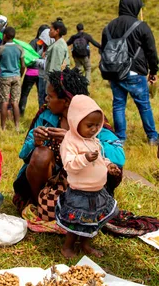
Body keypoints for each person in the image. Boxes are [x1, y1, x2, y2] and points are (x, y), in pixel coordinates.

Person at [12, 68, 125, 220]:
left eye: (50, 96)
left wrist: (74, 140)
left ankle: (80, 209)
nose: (46, 99)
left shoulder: (91, 119)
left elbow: (118, 156)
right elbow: (23, 153)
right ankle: (40, 204)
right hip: (50, 182)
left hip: (83, 184)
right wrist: (35, 142)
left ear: (65, 101)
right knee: (41, 154)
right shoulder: (46, 116)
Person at [56, 95, 120, 258]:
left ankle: (85, 244)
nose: (94, 129)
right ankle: (68, 246)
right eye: (89, 125)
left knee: (91, 221)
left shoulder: (92, 139)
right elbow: (69, 164)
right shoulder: (70, 141)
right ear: (76, 122)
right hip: (80, 193)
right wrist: (84, 158)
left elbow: (100, 158)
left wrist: (108, 165)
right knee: (76, 221)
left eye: (97, 125)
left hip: (97, 191)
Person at [101, 0, 158, 145]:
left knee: (118, 105)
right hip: (135, 72)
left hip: (115, 72)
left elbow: (103, 50)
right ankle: (152, 137)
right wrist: (153, 71)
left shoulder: (108, 27)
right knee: (144, 105)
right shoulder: (141, 26)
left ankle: (120, 139)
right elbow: (151, 51)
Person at [0, 26, 25, 130]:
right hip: (16, 76)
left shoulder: (1, 49)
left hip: (4, 77)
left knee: (4, 102)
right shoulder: (19, 48)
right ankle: (17, 126)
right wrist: (20, 75)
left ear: (4, 36)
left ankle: (3, 127)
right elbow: (23, 65)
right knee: (15, 102)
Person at [19, 24, 49, 115]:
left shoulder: (33, 42)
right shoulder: (48, 44)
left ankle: (21, 112)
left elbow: (27, 55)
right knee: (41, 95)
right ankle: (41, 112)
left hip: (31, 72)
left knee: (24, 94)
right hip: (41, 72)